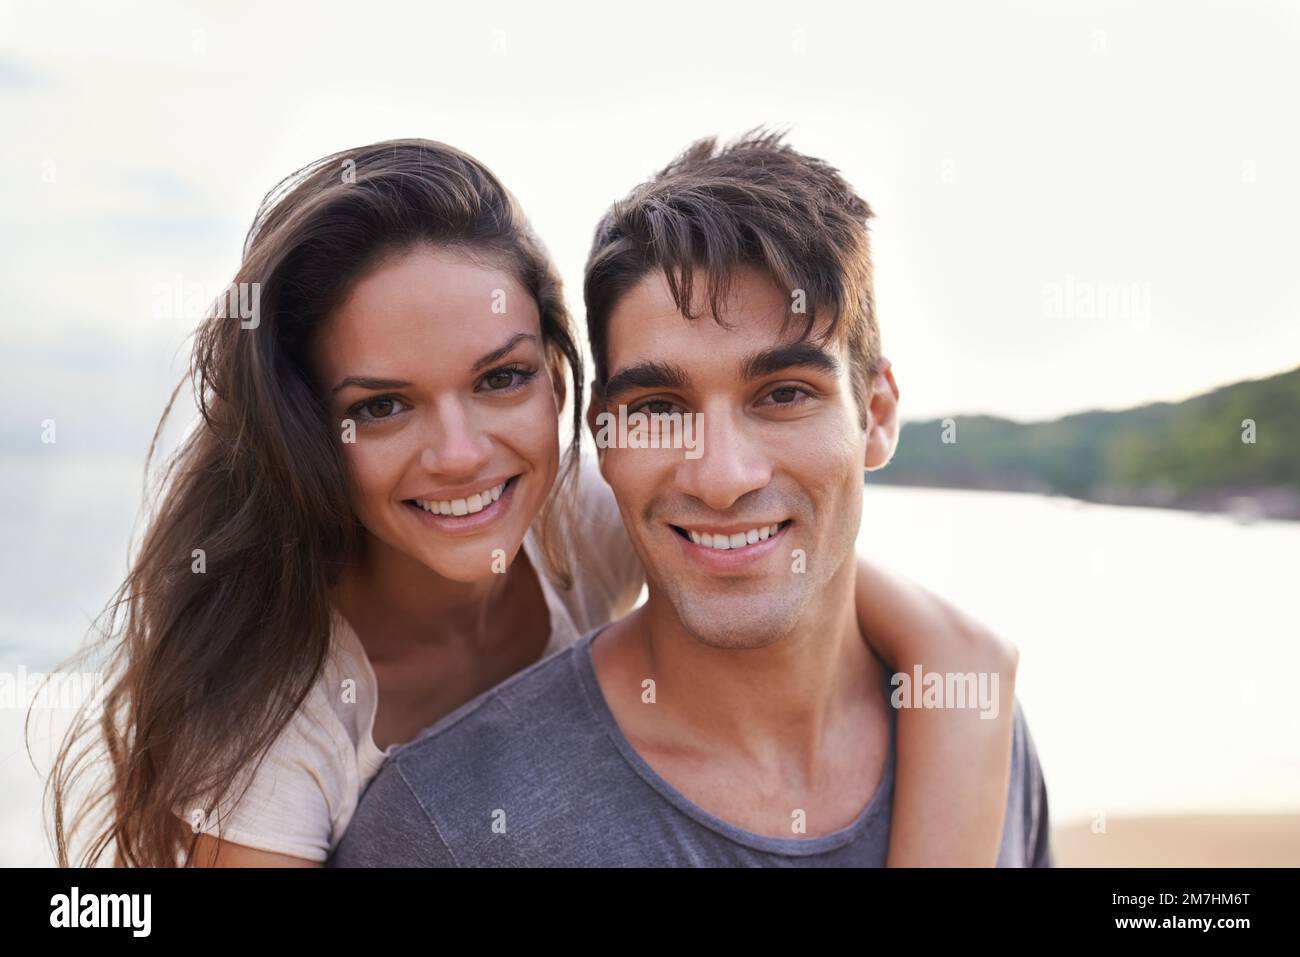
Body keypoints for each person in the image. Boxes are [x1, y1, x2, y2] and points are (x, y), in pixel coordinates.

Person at [47, 138, 1021, 868]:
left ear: (564, 386)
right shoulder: (273, 719)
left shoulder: (578, 517)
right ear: (312, 428)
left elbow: (790, 555)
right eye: (382, 406)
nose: (463, 454)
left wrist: (964, 673)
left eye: (502, 379)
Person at [331, 131, 1051, 867]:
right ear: (603, 439)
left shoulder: (978, 731)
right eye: (659, 407)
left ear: (879, 414)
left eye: (783, 393)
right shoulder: (442, 833)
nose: (722, 475)